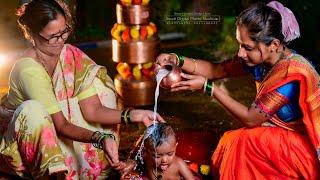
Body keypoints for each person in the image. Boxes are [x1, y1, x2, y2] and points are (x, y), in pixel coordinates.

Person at [0, 0, 163, 179]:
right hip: (28, 144)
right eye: (53, 36)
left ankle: (81, 169)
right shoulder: (28, 70)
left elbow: (92, 110)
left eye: (64, 32)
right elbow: (61, 125)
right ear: (32, 35)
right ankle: (52, 175)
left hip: (60, 133)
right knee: (33, 110)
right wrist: (100, 138)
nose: (61, 41)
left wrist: (135, 115)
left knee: (101, 89)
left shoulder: (69, 55)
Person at [156, 1, 320, 179]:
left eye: (247, 47)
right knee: (234, 141)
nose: (241, 53)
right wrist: (177, 59)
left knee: (241, 143)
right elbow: (216, 70)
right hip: (277, 135)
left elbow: (251, 119)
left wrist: (208, 87)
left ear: (273, 44)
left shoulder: (291, 74)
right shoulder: (262, 60)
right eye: (240, 45)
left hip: (301, 148)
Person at [119, 123, 194, 180]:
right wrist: (130, 164)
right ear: (147, 152)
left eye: (170, 154)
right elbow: (136, 160)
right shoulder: (147, 158)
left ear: (175, 147)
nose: (164, 160)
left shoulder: (179, 165)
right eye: (157, 156)